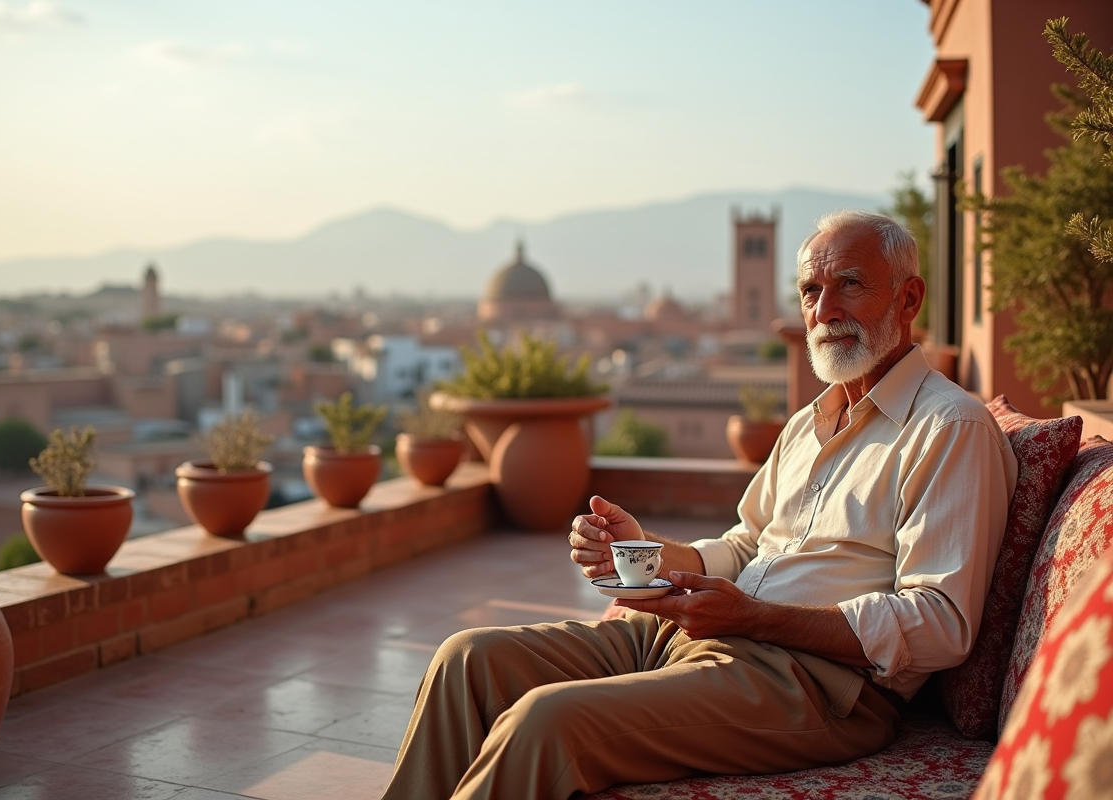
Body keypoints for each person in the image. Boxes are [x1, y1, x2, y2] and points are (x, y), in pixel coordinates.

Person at [380, 210, 1018, 800]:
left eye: (850, 285)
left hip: (813, 685)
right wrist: (652, 557)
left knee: (544, 719)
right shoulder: (806, 424)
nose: (824, 310)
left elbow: (941, 623)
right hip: (695, 639)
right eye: (809, 291)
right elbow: (745, 546)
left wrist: (756, 619)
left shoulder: (948, 427)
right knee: (466, 660)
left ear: (909, 298)